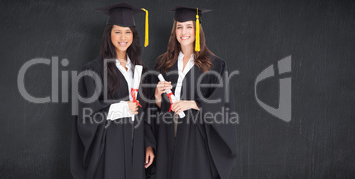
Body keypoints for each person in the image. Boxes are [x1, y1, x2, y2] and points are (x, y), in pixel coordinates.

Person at [149, 6, 237, 179]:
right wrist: (158, 96)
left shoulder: (214, 65)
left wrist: (193, 103)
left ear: (197, 30)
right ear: (174, 31)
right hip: (167, 135)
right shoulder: (163, 64)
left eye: (189, 26)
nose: (184, 32)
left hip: (196, 138)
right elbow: (156, 109)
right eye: (179, 27)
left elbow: (222, 102)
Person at [70, 3, 154, 179]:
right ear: (109, 34)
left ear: (134, 36)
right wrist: (122, 108)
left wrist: (148, 144)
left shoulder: (140, 71)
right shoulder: (93, 70)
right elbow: (87, 114)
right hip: (109, 148)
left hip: (136, 148)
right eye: (117, 31)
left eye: (128, 32)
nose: (123, 37)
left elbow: (146, 113)